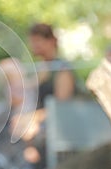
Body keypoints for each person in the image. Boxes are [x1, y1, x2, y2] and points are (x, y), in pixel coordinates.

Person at [18, 23, 76, 169]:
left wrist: (33, 119)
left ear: (50, 41)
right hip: (42, 125)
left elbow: (61, 104)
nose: (33, 46)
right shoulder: (42, 68)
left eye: (37, 41)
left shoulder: (61, 68)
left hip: (61, 127)